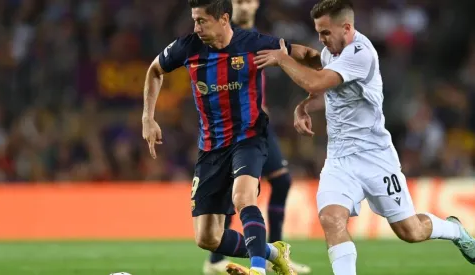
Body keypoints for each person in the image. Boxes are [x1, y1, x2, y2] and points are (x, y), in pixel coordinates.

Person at [254, 0, 475, 274]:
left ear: (346, 27)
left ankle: (454, 230)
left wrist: (282, 59)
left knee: (410, 231)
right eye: (319, 32)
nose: (322, 39)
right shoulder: (333, 50)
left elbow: (316, 81)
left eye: (325, 32)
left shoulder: (361, 53)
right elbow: (314, 58)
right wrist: (303, 102)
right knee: (331, 218)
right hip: (339, 159)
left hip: (375, 158)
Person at [142, 1, 320, 274]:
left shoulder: (254, 42)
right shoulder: (187, 47)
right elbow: (155, 70)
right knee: (207, 238)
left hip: (249, 138)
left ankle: (258, 270)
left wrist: (333, 73)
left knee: (243, 198)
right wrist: (148, 117)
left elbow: (306, 53)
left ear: (223, 19)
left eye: (202, 21)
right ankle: (274, 252)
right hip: (211, 148)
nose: (196, 27)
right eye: (194, 20)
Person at [203, 0, 315, 274]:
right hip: (231, 127)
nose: (243, 5)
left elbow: (290, 55)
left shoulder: (258, 37)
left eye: (248, 0)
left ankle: (274, 252)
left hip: (255, 124)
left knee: (279, 182)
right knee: (237, 192)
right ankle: (229, 257)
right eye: (238, 1)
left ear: (256, 5)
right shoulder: (223, 34)